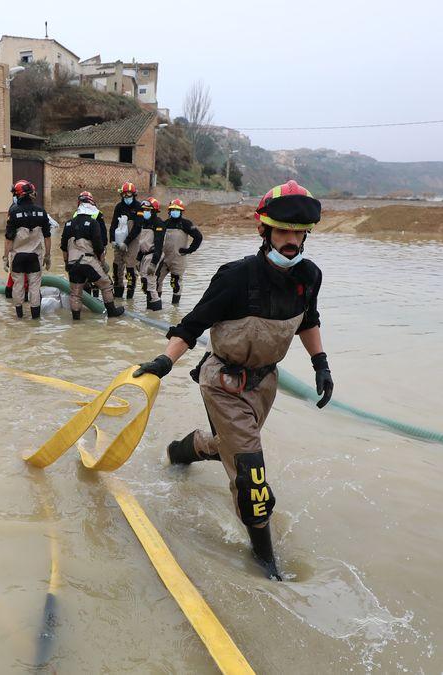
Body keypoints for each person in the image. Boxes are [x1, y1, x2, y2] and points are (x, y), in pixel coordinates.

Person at [133, 180, 335, 580]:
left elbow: (308, 321)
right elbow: (193, 325)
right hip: (223, 382)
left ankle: (180, 451)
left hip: (264, 386)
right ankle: (266, 567)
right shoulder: (236, 277)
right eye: (283, 232)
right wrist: (164, 361)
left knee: (230, 447)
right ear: (265, 231)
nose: (291, 241)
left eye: (298, 233)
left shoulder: (309, 277)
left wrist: (321, 364)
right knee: (252, 479)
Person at [59, 191, 125, 319]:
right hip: (88, 261)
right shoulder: (93, 222)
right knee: (106, 284)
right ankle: (112, 312)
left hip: (73, 263)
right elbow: (99, 247)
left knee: (76, 293)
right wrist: (101, 261)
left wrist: (67, 264)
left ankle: (76, 319)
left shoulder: (68, 224)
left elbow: (63, 247)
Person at [3, 179, 52, 319]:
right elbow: (47, 237)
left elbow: (8, 238)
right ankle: (35, 319)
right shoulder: (41, 212)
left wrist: (5, 257)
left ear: (18, 195)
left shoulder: (13, 212)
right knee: (35, 287)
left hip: (18, 257)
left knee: (18, 286)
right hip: (34, 257)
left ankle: (19, 317)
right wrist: (48, 256)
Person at [154, 199, 203, 305]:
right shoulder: (165, 223)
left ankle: (175, 307)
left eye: (177, 210)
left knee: (175, 283)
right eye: (172, 209)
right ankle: (157, 304)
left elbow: (198, 237)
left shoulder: (186, 224)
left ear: (181, 211)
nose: (174, 211)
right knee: (156, 280)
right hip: (163, 258)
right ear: (169, 211)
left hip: (178, 258)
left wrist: (189, 250)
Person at [109, 181, 142, 296]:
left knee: (130, 267)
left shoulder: (139, 207)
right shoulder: (119, 206)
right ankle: (118, 292)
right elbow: (113, 224)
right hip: (118, 239)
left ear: (134, 195)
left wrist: (127, 242)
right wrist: (112, 239)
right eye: (124, 195)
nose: (126, 197)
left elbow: (137, 227)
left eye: (129, 195)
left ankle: (130, 295)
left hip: (133, 241)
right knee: (117, 265)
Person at [133, 198, 164, 310]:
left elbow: (159, 245)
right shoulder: (143, 223)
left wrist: (154, 263)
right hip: (144, 256)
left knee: (150, 285)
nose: (145, 212)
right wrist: (138, 259)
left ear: (154, 211)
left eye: (147, 209)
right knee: (145, 284)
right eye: (143, 209)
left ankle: (156, 312)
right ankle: (150, 309)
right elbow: (142, 243)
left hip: (153, 255)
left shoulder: (158, 223)